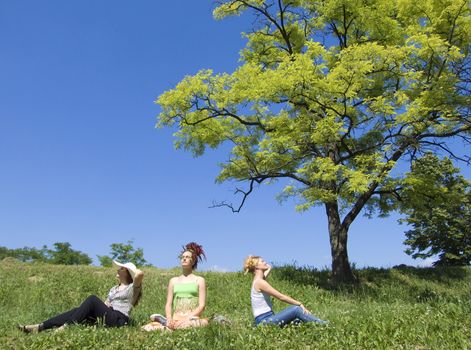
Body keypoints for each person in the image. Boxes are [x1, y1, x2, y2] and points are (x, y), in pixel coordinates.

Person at [18, 260, 144, 333]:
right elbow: (105, 304)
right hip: (108, 316)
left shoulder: (130, 289)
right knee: (76, 311)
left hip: (119, 320)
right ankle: (40, 326)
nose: (117, 270)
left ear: (127, 273)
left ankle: (65, 327)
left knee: (92, 299)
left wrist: (131, 269)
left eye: (121, 268)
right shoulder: (113, 289)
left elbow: (139, 274)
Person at [243, 255, 327, 327]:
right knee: (296, 309)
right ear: (257, 267)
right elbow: (281, 297)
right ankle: (324, 324)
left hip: (268, 319)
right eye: (262, 261)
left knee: (298, 320)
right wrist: (299, 303)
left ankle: (318, 324)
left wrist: (266, 267)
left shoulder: (259, 280)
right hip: (264, 322)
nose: (265, 262)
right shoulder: (260, 283)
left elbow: (268, 269)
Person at [142, 242, 208, 331]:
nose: (184, 259)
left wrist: (187, 318)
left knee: (204, 323)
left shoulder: (199, 280)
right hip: (175, 319)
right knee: (145, 328)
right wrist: (169, 319)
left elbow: (202, 306)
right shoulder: (173, 281)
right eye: (183, 257)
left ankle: (164, 325)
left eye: (187, 257)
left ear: (193, 261)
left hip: (191, 319)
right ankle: (167, 323)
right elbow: (168, 304)